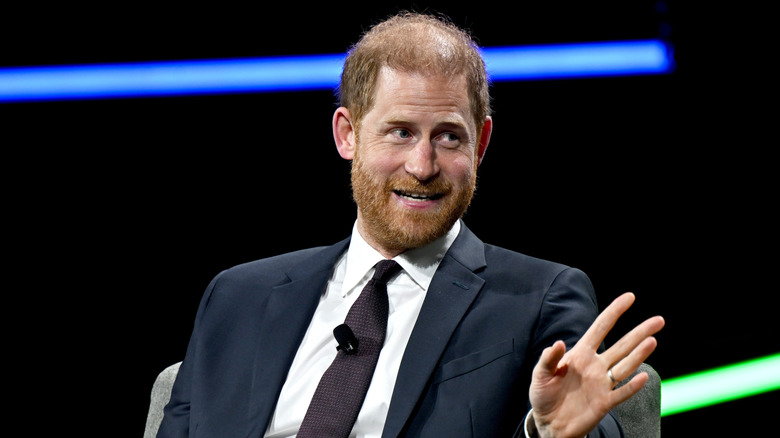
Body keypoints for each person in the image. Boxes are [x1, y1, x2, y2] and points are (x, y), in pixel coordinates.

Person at [156, 11, 664, 438]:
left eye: (449, 137)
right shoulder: (237, 297)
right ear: (348, 134)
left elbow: (582, 417)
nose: (422, 167)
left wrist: (547, 432)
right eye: (400, 132)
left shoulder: (539, 297)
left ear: (481, 145)